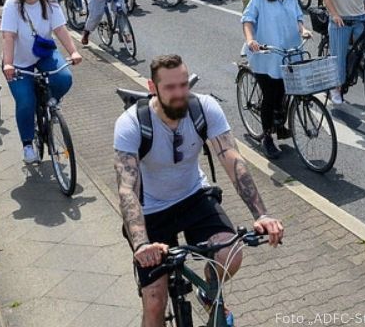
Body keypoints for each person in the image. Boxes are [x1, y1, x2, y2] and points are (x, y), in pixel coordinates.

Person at [115, 54, 285, 327]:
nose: (180, 93)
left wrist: (262, 214)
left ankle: (207, 290)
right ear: (152, 87)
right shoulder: (131, 123)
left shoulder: (203, 108)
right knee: (155, 300)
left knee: (230, 255)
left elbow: (231, 157)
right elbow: (127, 189)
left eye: (184, 84)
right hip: (151, 210)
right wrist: (141, 244)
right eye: (170, 88)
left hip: (193, 196)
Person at [1, 0, 83, 164]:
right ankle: (28, 144)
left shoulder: (49, 1)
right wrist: (8, 64)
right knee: (26, 102)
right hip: (19, 62)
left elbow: (60, 29)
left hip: (43, 54)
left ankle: (49, 103)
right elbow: (8, 37)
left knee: (64, 78)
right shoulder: (12, 5)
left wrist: (73, 51)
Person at [241, 0, 312, 158]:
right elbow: (247, 20)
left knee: (285, 91)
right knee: (270, 98)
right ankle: (267, 138)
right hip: (267, 55)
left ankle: (279, 122)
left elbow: (299, 17)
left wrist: (303, 30)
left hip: (289, 52)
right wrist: (251, 40)